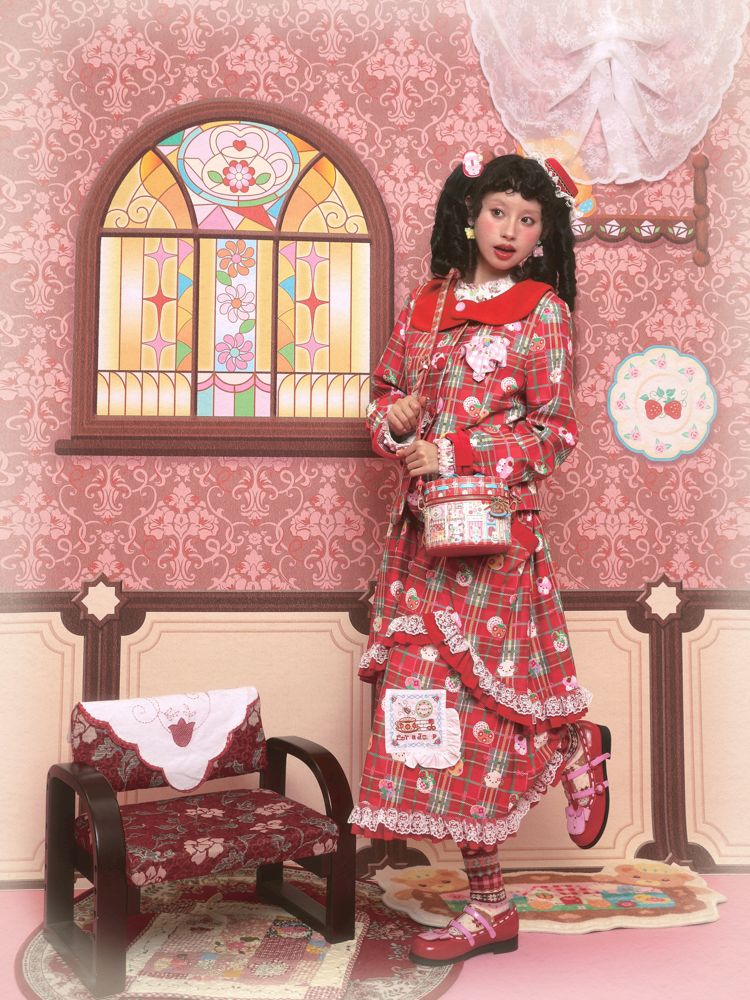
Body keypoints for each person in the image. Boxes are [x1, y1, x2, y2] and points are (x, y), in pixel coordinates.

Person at [348, 151, 611, 965]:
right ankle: (491, 903)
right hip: (423, 543)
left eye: (529, 221)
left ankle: (570, 746)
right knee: (432, 720)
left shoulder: (544, 314)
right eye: (500, 212)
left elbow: (554, 435)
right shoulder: (426, 305)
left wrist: (456, 450)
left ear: (542, 237)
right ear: (471, 215)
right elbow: (380, 400)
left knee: (488, 718)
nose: (511, 231)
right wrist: (397, 420)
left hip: (496, 544)